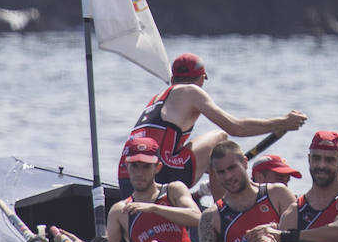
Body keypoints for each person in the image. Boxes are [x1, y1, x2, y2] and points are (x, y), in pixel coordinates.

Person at [117, 51, 307, 198]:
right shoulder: (192, 91)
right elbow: (235, 127)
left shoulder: (158, 98)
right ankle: (223, 214)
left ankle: (216, 184)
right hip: (159, 172)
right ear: (201, 79)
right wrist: (282, 122)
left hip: (126, 176)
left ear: (173, 79)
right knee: (220, 140)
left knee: (214, 158)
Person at [105, 137, 217, 242]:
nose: (139, 173)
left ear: (157, 167)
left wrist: (154, 208)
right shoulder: (119, 211)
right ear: (126, 166)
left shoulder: (173, 190)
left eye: (146, 166)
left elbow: (197, 217)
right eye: (134, 166)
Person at [193, 139, 296, 242]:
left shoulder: (278, 194)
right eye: (221, 172)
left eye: (232, 168)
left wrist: (276, 232)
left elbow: (303, 238)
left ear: (245, 163)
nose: (228, 176)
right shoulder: (211, 217)